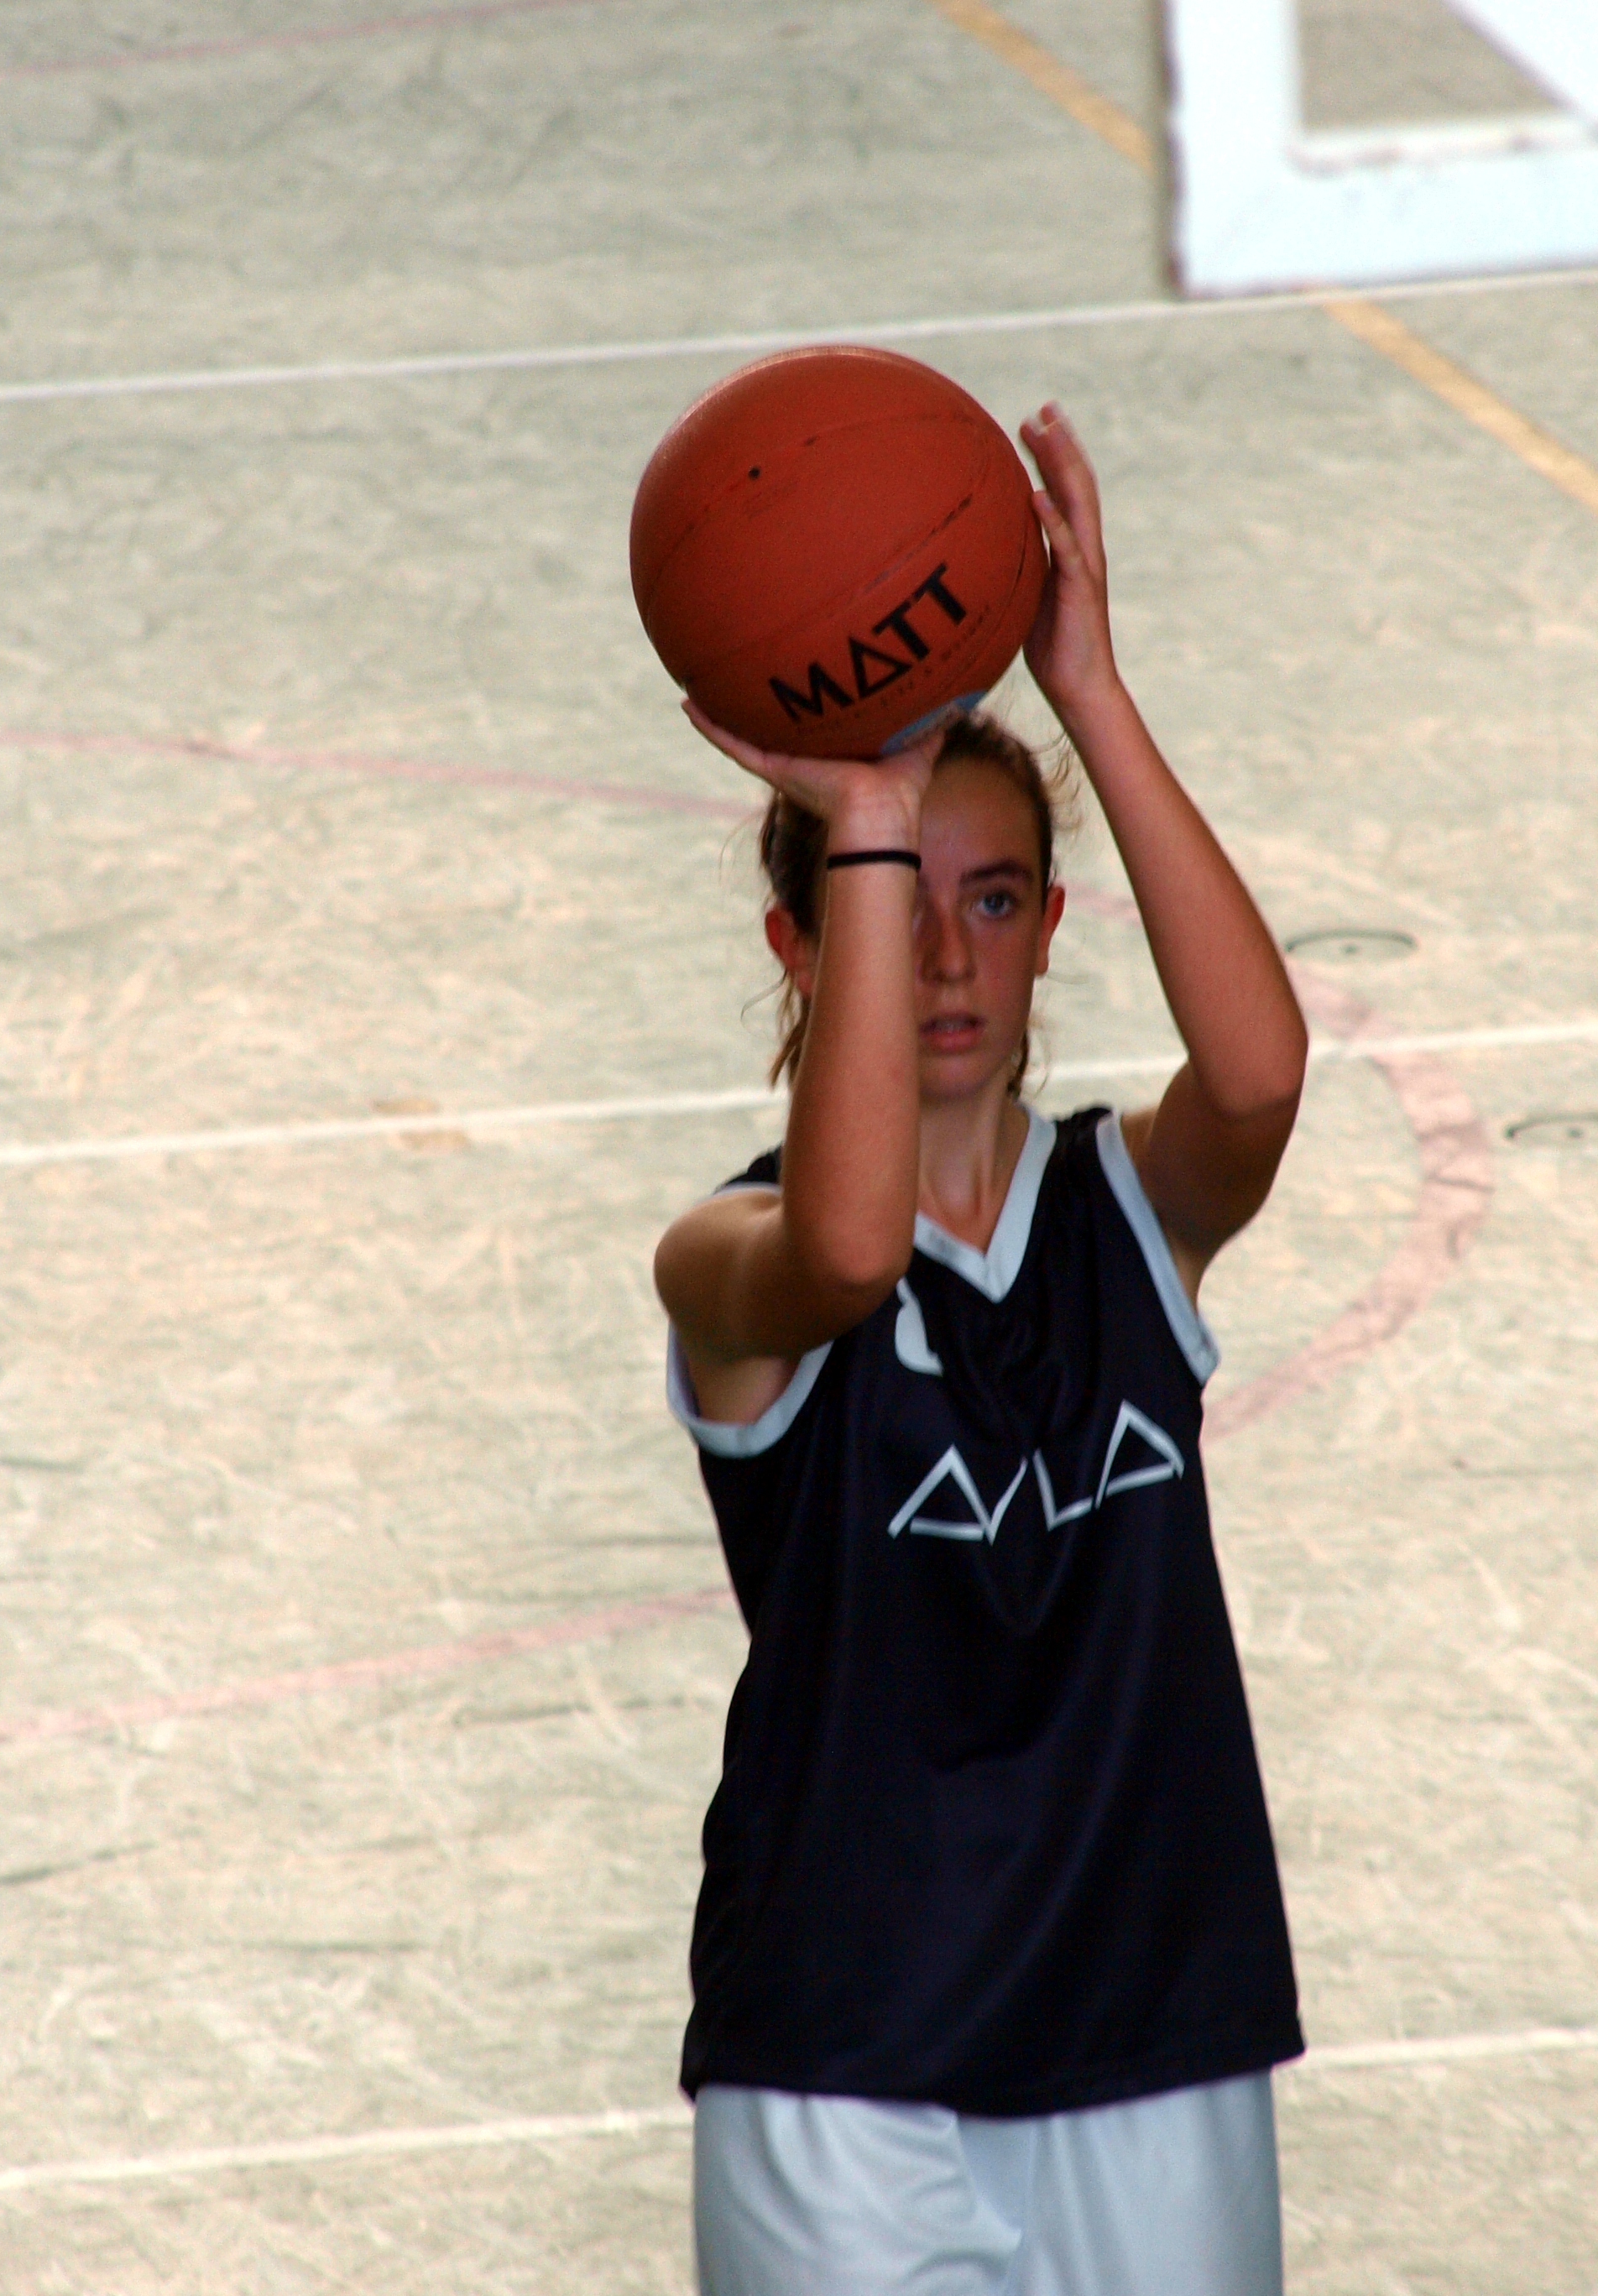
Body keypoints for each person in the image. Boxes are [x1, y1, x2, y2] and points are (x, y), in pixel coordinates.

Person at [656, 401, 1312, 2294]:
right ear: (801, 943)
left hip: (1152, 2020)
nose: (949, 957)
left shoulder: (1130, 1216)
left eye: (997, 901)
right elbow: (851, 1249)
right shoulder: (723, 1260)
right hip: (844, 2062)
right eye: (895, 906)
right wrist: (869, 808)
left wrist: (1087, 688)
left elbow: (1260, 1079)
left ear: (1046, 934)